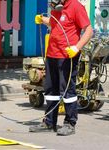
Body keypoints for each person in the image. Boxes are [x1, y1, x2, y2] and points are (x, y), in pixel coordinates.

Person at [29, 0, 93, 136]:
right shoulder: (56, 7)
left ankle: (70, 123)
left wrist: (77, 47)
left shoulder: (75, 6)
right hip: (52, 54)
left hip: (67, 56)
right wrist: (43, 19)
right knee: (51, 89)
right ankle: (49, 122)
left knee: (67, 89)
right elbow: (56, 24)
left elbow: (89, 30)